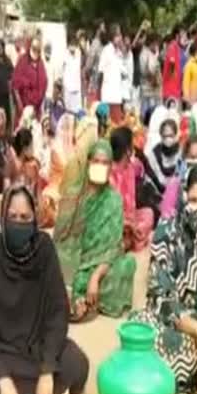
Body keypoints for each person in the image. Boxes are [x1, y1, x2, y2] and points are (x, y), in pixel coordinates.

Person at [0, 186, 89, 394]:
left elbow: (58, 313)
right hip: (3, 351)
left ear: (35, 219)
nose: (18, 224)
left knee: (77, 363)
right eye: (13, 217)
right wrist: (2, 378)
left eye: (25, 218)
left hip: (38, 350)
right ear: (3, 219)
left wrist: (48, 370)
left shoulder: (45, 250)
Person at [130, 166, 197, 394]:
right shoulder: (165, 232)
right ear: (183, 197)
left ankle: (195, 370)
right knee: (141, 329)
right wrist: (196, 330)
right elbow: (161, 296)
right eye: (193, 200)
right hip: (171, 319)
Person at [54, 140, 136, 322]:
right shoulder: (73, 193)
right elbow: (60, 237)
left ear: (110, 167)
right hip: (73, 256)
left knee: (125, 266)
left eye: (105, 162)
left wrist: (95, 277)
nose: (100, 166)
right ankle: (76, 295)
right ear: (88, 162)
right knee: (51, 259)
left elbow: (114, 248)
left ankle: (81, 293)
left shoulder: (114, 200)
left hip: (101, 264)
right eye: (96, 161)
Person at [110, 127, 154, 252]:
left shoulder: (131, 167)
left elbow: (142, 168)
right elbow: (111, 213)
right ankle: (128, 241)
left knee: (149, 213)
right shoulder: (109, 173)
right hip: (116, 222)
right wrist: (129, 224)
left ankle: (128, 241)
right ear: (128, 150)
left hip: (132, 219)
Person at [38, 113, 76, 229]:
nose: (67, 132)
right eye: (64, 128)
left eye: (69, 128)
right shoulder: (56, 149)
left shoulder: (76, 149)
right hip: (57, 186)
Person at [141, 118, 182, 222]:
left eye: (171, 136)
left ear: (176, 135)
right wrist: (160, 201)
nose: (168, 139)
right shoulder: (154, 154)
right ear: (161, 136)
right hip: (157, 201)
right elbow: (149, 180)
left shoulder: (181, 154)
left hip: (178, 202)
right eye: (165, 136)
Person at [12, 37, 48, 127]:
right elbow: (15, 85)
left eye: (38, 49)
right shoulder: (23, 61)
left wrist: (39, 103)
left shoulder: (41, 63)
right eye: (34, 48)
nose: (36, 51)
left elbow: (44, 83)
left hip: (37, 107)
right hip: (23, 105)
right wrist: (19, 104)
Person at [99, 25, 125, 126]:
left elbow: (123, 73)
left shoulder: (119, 53)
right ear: (113, 36)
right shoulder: (106, 51)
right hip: (107, 95)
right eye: (118, 35)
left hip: (117, 95)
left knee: (117, 125)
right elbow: (100, 72)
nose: (120, 38)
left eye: (120, 35)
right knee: (106, 125)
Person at [139, 33, 162, 123]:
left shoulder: (150, 54)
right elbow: (149, 70)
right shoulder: (146, 54)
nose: (157, 46)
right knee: (148, 115)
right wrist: (155, 81)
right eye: (157, 43)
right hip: (148, 90)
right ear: (152, 43)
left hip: (152, 90)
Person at [163, 26, 188, 103]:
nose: (185, 37)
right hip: (171, 90)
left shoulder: (180, 49)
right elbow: (171, 62)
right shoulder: (172, 46)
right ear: (177, 36)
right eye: (183, 35)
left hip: (177, 90)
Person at [63, 36, 83, 113]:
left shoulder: (79, 53)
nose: (73, 47)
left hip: (77, 88)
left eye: (74, 45)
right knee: (68, 112)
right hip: (68, 88)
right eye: (71, 44)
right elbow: (63, 68)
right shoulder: (65, 54)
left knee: (77, 112)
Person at [183, 41, 197, 107]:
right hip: (191, 99)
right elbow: (185, 83)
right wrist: (187, 99)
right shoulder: (189, 65)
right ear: (193, 53)